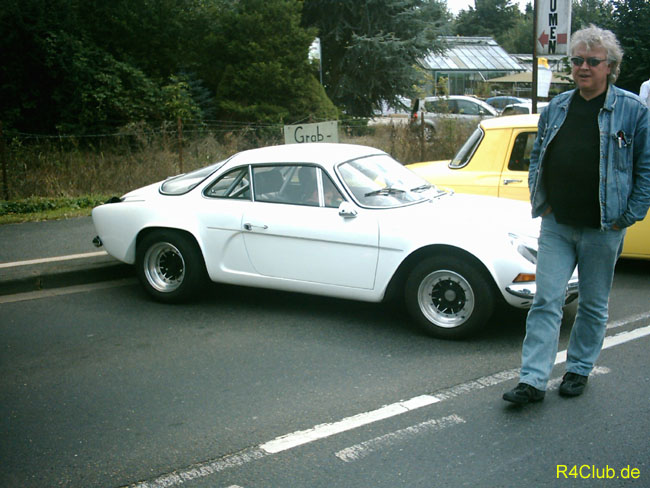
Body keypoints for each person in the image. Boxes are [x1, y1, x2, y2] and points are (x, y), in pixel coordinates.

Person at [503, 25, 650, 405]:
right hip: (557, 224)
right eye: (577, 60)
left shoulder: (633, 110)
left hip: (604, 227)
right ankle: (532, 380)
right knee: (545, 301)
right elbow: (538, 156)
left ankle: (579, 369)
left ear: (610, 66)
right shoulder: (557, 107)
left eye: (592, 61)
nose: (583, 67)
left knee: (593, 305)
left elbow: (646, 168)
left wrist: (628, 215)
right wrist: (543, 200)